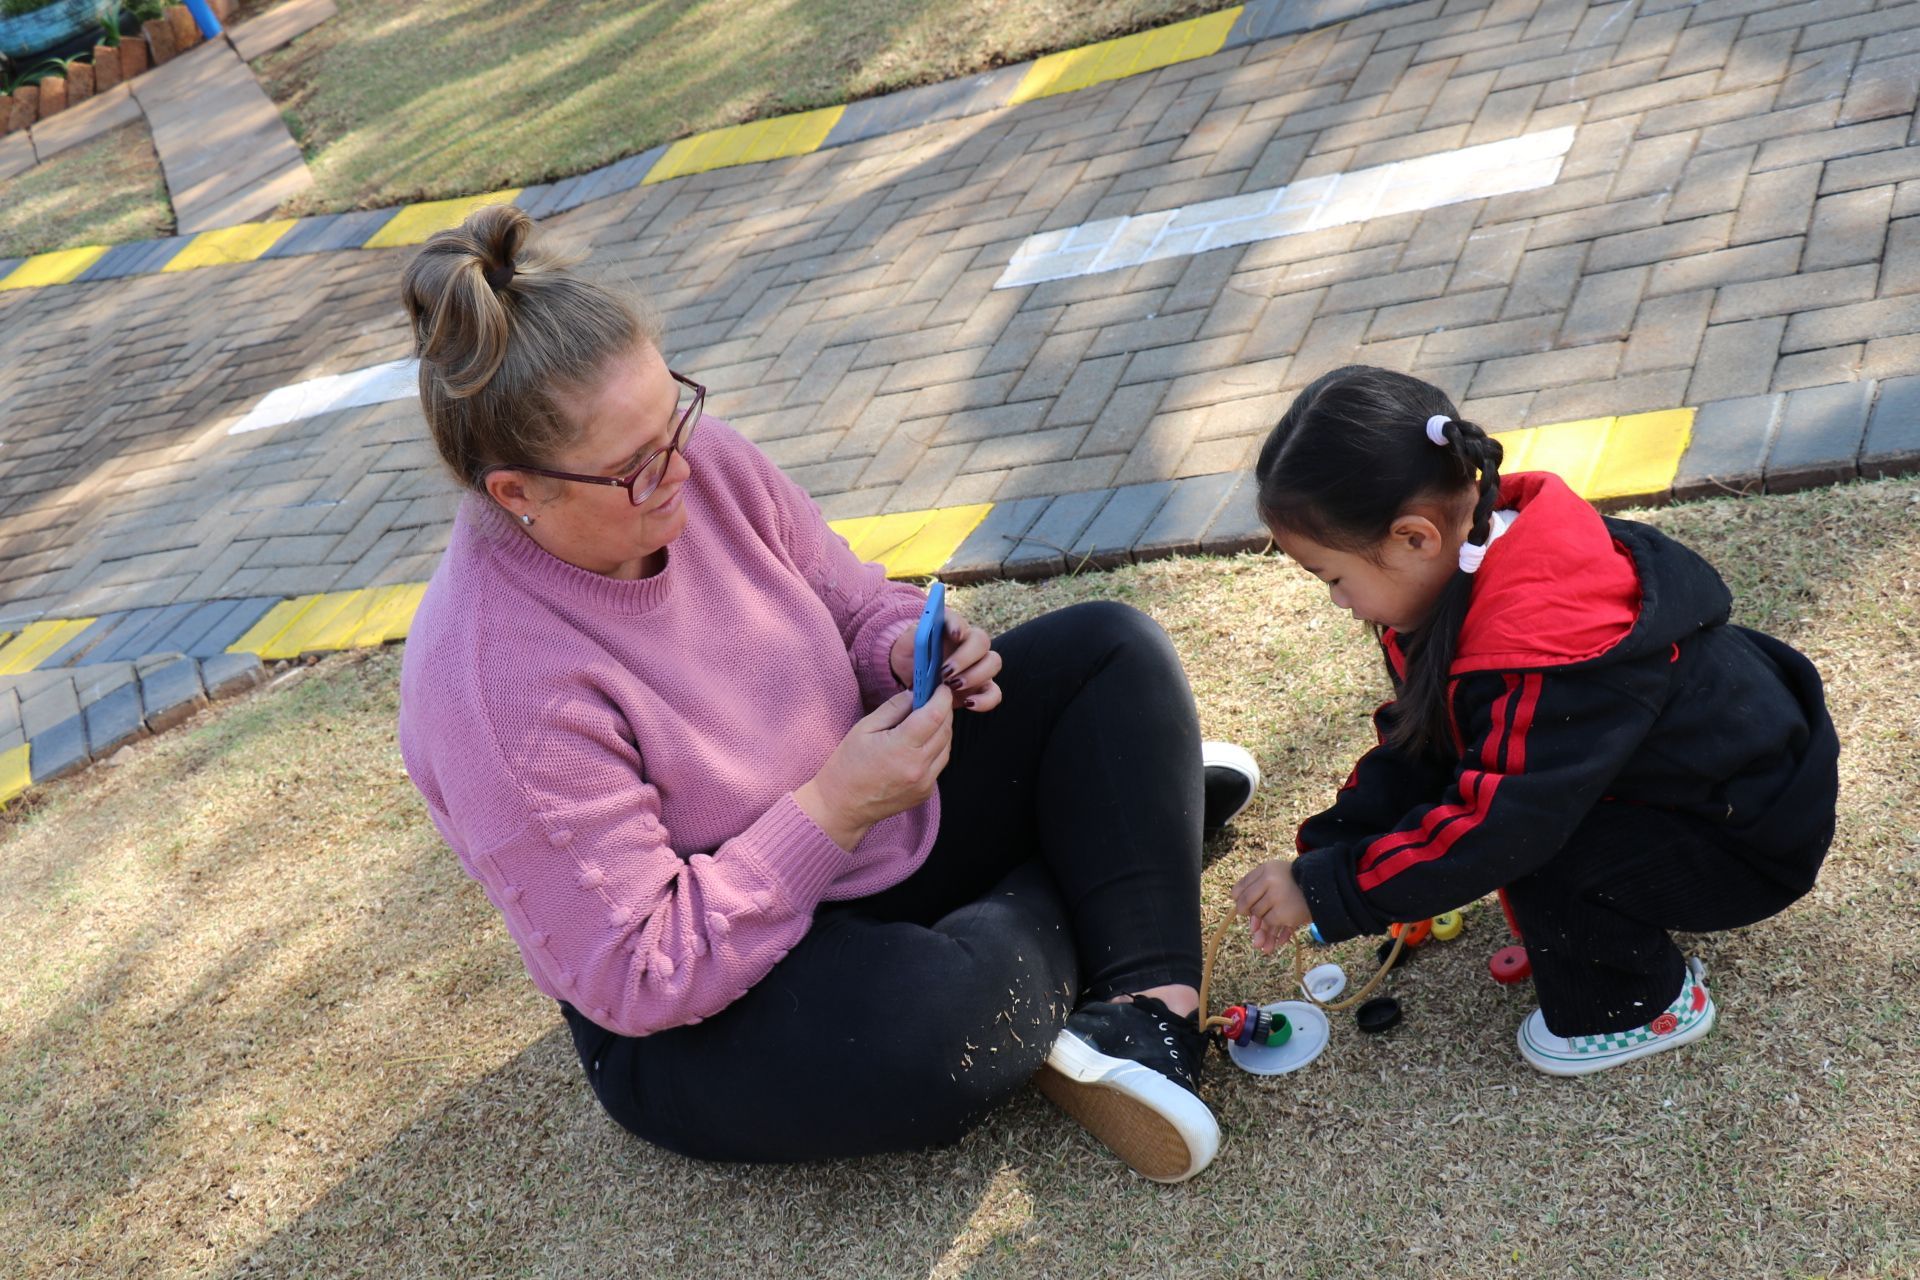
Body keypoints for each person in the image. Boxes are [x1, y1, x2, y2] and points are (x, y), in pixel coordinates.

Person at [393, 204, 1261, 1182]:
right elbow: (644, 967)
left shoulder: (699, 463)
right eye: (635, 466)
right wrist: (834, 805)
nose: (680, 466)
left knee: (1112, 648)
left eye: (675, 411)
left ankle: (1149, 1014)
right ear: (518, 492)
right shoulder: (489, 681)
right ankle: (1125, 829)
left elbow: (852, 600)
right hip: (712, 996)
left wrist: (905, 651)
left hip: (876, 819)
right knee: (935, 1039)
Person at [1231, 365, 1838, 1075]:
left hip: (1749, 839)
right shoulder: (1474, 559)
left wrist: (1340, 889)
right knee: (1524, 817)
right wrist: (1324, 861)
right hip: (1706, 788)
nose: (1337, 602)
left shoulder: (1543, 651)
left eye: (1333, 578)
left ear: (1414, 538)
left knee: (1540, 848)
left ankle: (1643, 1003)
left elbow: (1499, 828)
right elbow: (1429, 742)